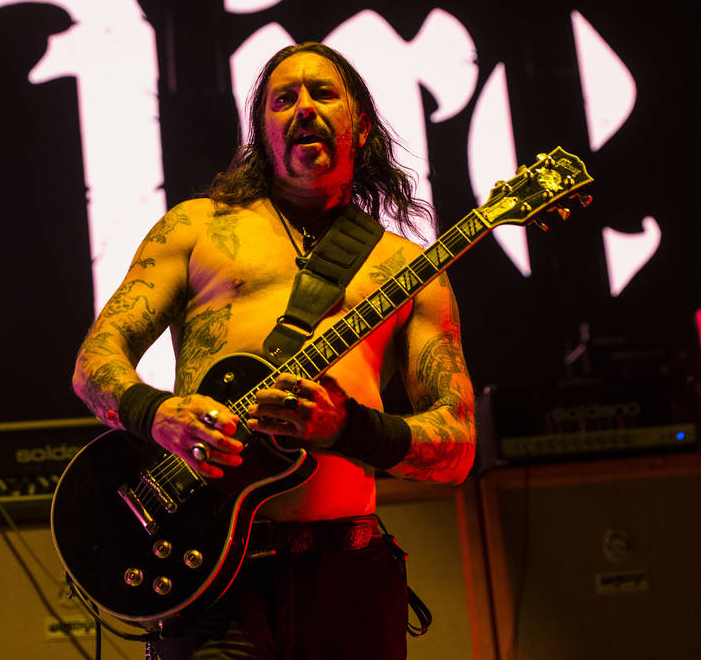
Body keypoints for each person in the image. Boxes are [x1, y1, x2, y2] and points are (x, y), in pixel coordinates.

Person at [71, 41, 475, 659]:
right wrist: (157, 416)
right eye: (283, 98)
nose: (303, 108)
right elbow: (95, 360)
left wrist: (349, 429)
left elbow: (457, 447)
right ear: (261, 131)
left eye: (323, 93)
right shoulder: (197, 229)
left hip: (347, 576)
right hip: (212, 578)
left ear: (361, 125)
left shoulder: (407, 268)